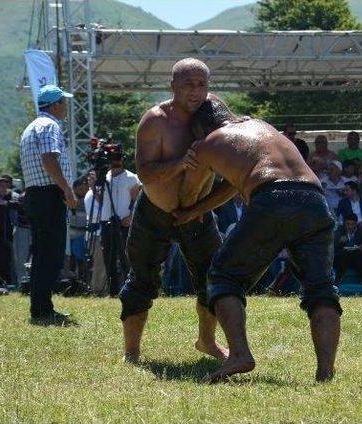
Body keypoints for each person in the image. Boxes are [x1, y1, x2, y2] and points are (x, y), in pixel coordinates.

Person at [173, 97, 342, 382]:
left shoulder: (207, 143)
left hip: (270, 199)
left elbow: (189, 192)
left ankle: (239, 354)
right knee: (321, 288)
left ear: (199, 129)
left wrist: (185, 209)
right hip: (314, 201)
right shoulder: (261, 126)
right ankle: (325, 372)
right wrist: (198, 211)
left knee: (223, 277)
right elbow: (234, 182)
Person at [119, 58, 228, 364]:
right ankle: (132, 351)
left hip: (199, 213)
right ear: (173, 86)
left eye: (201, 84)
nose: (196, 91)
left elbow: (233, 166)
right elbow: (145, 173)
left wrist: (205, 206)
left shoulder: (216, 113)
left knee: (214, 279)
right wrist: (180, 164)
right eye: (188, 84)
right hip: (155, 211)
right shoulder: (155, 121)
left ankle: (207, 341)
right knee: (142, 280)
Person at [19, 84, 76, 324]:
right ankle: (43, 310)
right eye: (64, 103)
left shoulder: (30, 128)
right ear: (54, 105)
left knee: (42, 253)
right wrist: (67, 189)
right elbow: (49, 159)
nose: (66, 107)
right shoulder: (50, 126)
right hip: (50, 194)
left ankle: (40, 308)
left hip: (35, 194)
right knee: (51, 254)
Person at [94, 148, 141, 296]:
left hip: (123, 223)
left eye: (118, 157)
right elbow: (102, 201)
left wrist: (131, 217)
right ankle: (113, 291)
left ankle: (131, 289)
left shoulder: (131, 177)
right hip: (107, 222)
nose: (116, 160)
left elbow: (138, 200)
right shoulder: (105, 177)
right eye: (113, 157)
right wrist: (93, 188)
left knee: (126, 258)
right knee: (109, 258)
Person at [333, 213, 362, 283]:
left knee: (357, 253)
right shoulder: (339, 231)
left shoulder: (361, 232)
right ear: (345, 223)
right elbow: (333, 246)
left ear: (356, 224)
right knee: (342, 253)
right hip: (343, 257)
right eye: (348, 224)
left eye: (352, 224)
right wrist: (339, 241)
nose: (350, 226)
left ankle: (361, 278)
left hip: (357, 257)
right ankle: (338, 278)